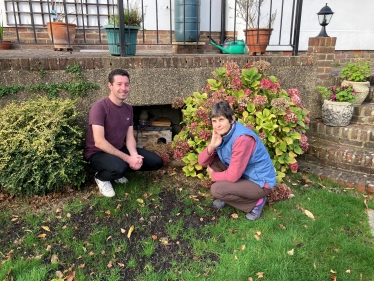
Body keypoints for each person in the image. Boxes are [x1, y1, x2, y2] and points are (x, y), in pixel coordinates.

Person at [84, 69, 163, 197]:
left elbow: (130, 137)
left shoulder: (128, 108)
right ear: (110, 86)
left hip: (118, 149)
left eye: (126, 84)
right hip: (97, 153)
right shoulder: (99, 107)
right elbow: (99, 142)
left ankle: (118, 171)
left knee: (156, 162)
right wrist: (127, 159)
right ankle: (102, 177)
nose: (124, 88)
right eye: (119, 84)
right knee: (120, 167)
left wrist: (134, 156)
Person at [198, 101, 276, 220]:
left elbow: (233, 176)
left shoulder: (242, 139)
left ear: (232, 119)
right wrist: (212, 145)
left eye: (221, 119)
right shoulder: (222, 134)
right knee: (213, 161)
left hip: (259, 183)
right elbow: (202, 162)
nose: (217, 125)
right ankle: (229, 195)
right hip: (243, 174)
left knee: (216, 190)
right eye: (214, 121)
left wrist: (214, 175)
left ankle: (256, 202)